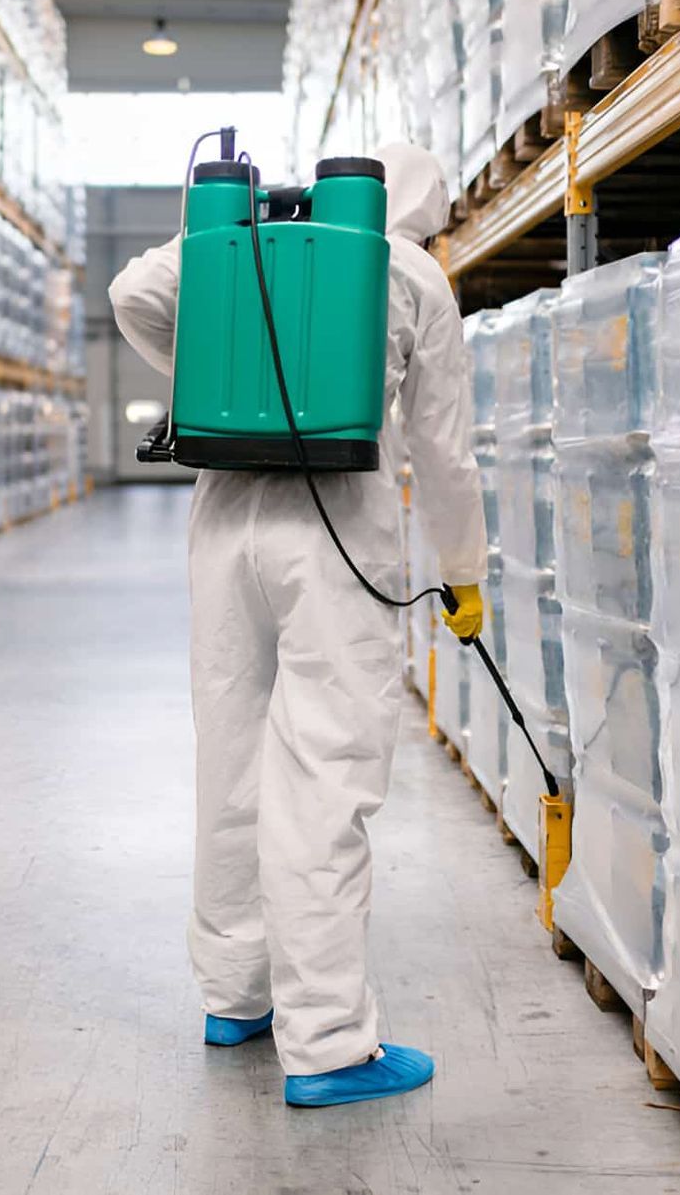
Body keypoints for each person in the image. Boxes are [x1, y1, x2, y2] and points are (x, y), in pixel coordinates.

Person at [108, 142, 488, 1107]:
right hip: (336, 536)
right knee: (326, 774)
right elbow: (444, 452)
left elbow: (131, 293)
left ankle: (235, 996)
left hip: (225, 522)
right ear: (418, 211)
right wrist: (461, 574)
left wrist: (208, 372)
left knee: (229, 756)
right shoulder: (409, 272)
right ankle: (326, 1043)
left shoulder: (248, 241)